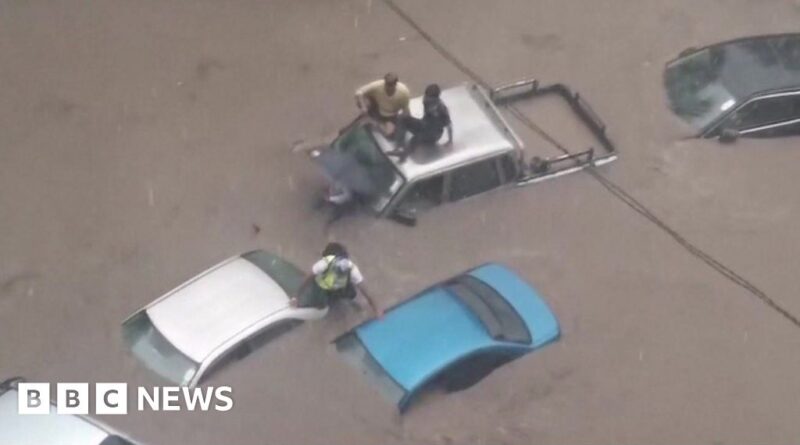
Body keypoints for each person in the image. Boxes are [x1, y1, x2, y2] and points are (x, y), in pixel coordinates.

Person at [291, 242, 382, 317]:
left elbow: (364, 289)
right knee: (320, 305)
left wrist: (376, 308)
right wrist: (296, 297)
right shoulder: (324, 263)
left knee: (352, 293)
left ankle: (341, 298)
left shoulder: (351, 268)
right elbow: (307, 279)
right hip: (323, 288)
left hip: (340, 287)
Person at [389, 83, 453, 161]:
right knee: (402, 118)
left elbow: (449, 125)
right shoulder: (425, 101)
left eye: (429, 98)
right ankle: (399, 146)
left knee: (417, 137)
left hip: (434, 134)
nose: (427, 99)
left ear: (436, 98)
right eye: (426, 96)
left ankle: (404, 154)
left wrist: (450, 141)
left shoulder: (441, 108)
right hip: (424, 125)